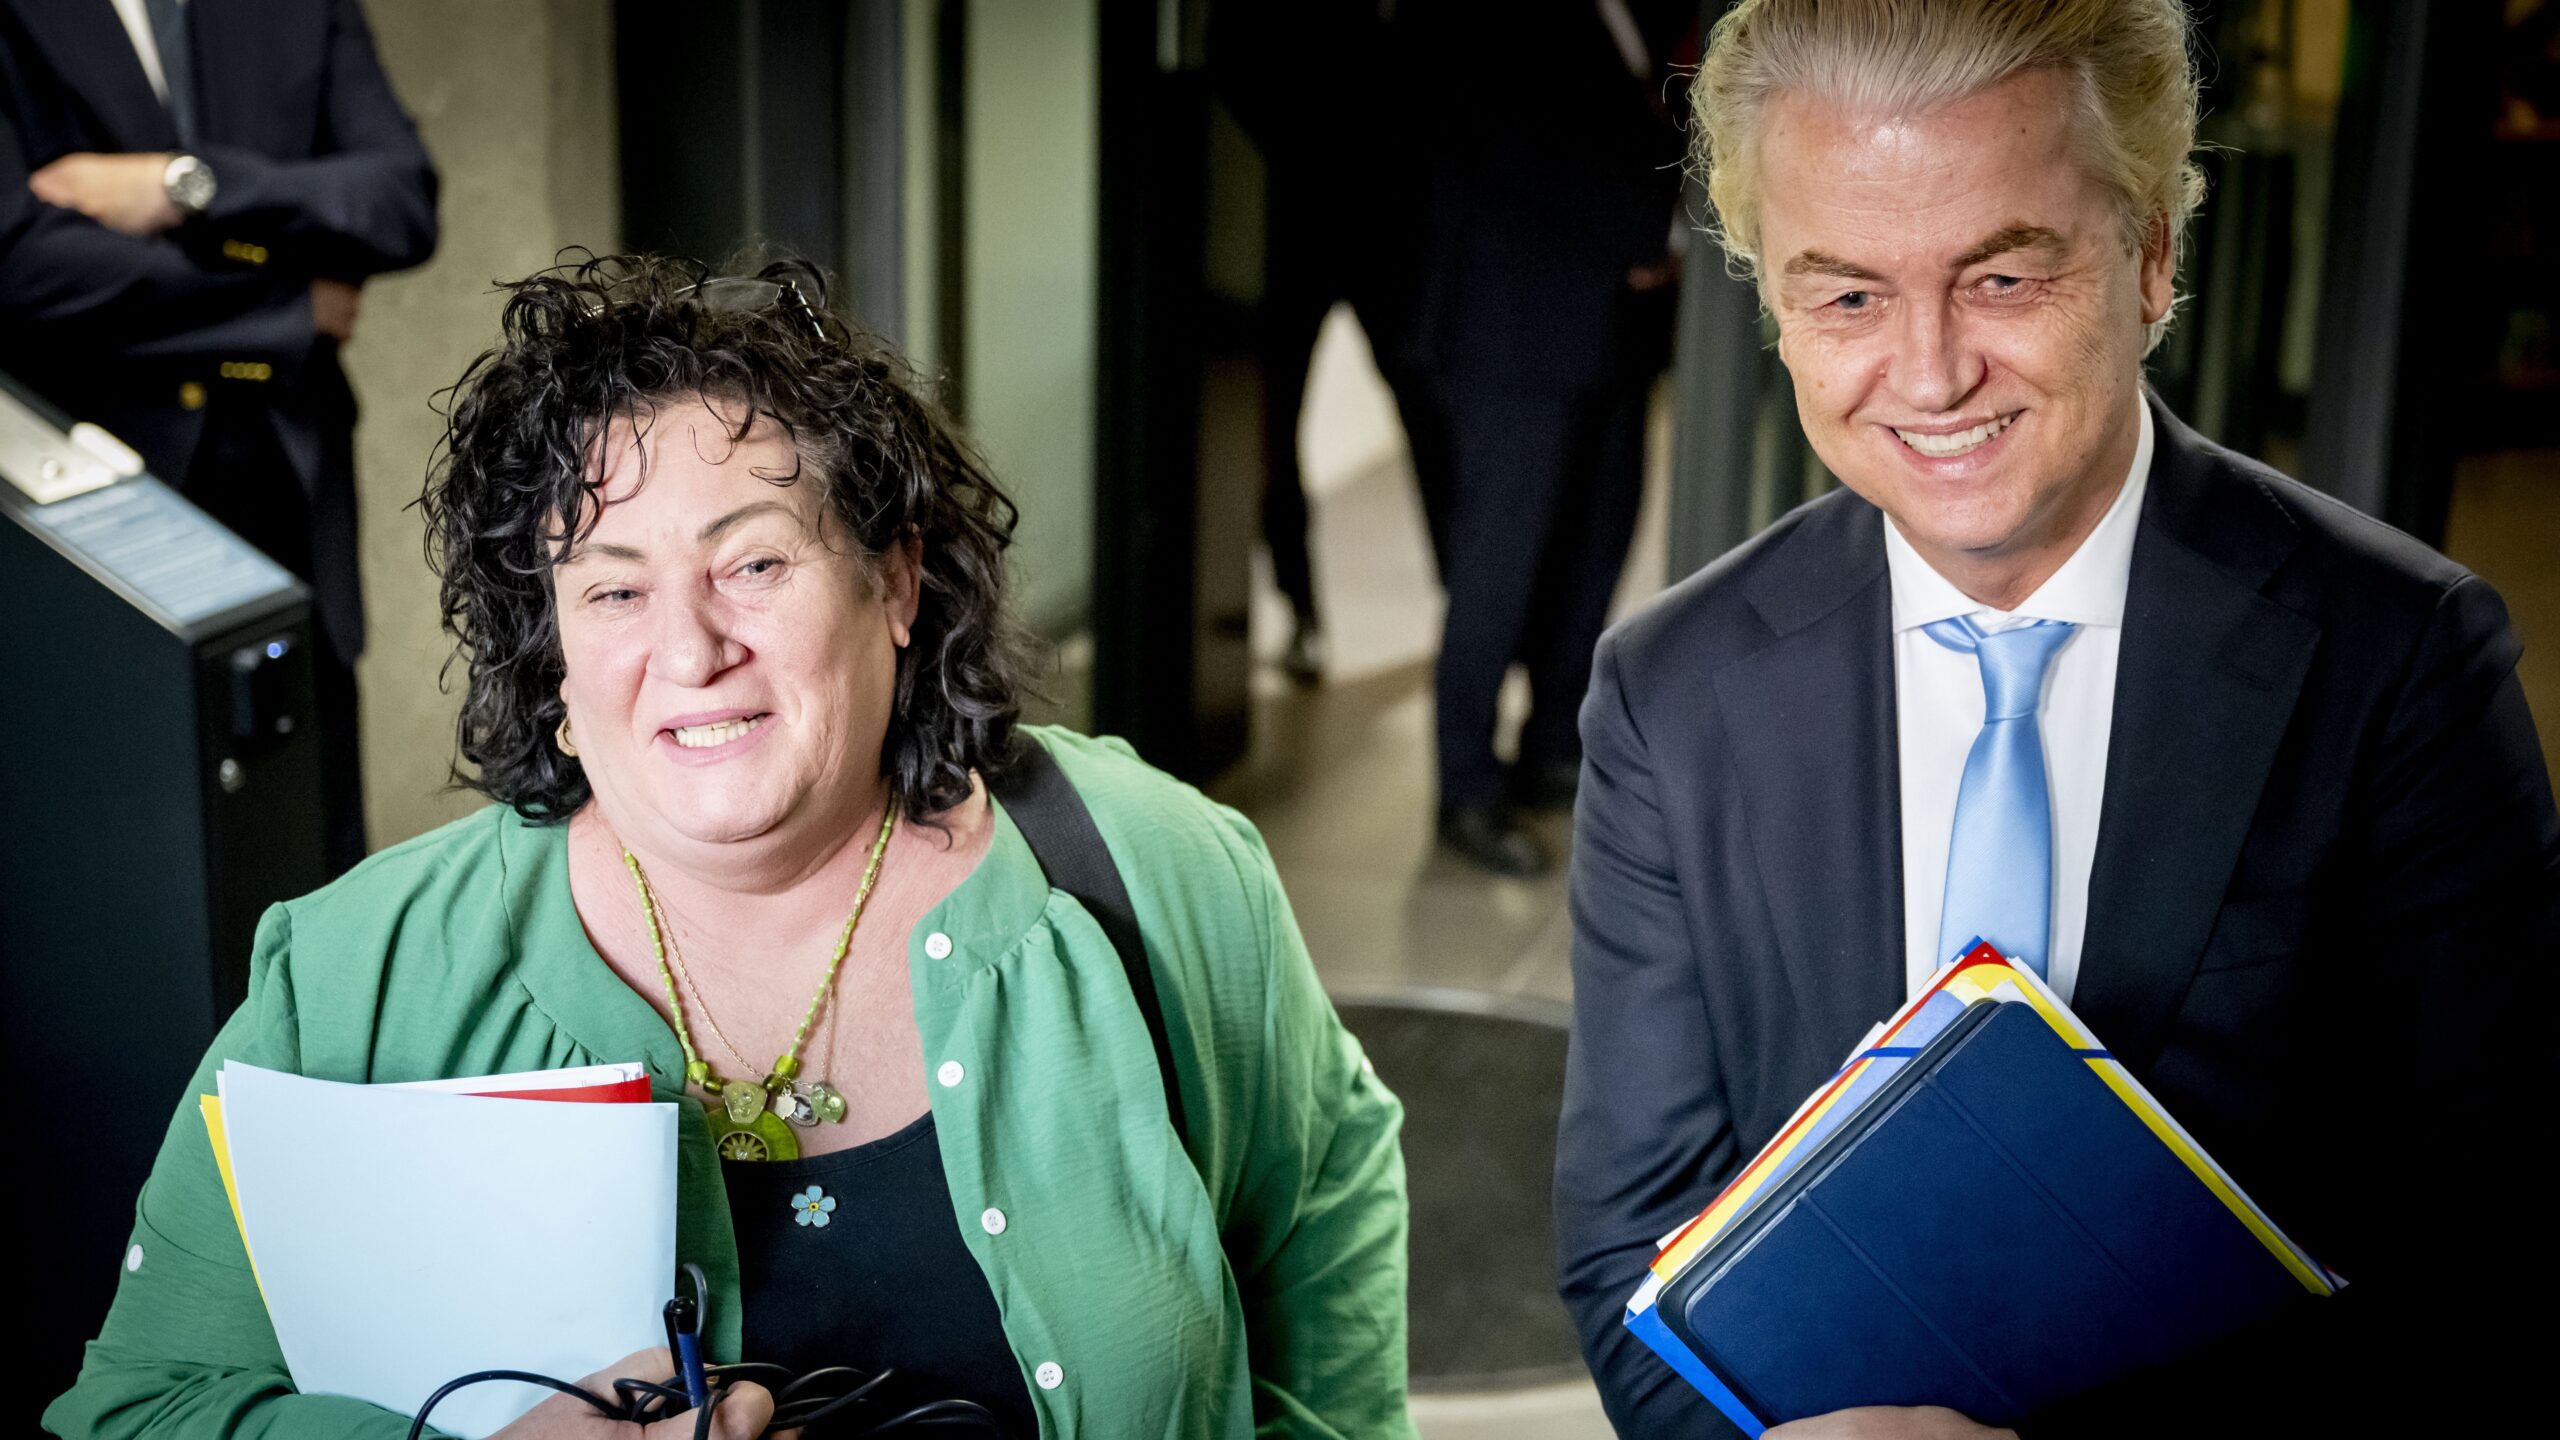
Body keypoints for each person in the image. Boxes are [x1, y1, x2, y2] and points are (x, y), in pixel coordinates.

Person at [44, 256, 1415, 1440]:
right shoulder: (356, 981)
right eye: (615, 588)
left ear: (895, 583)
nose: (692, 650)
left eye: (754, 564)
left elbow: (1326, 1198)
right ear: (553, 656)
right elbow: (135, 1410)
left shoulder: (1152, 873)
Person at [1553, 2, 2558, 1437]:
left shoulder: (2399, 662)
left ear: (2152, 259)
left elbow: (2491, 1240)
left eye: (2003, 277)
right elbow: (1632, 1246)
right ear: (1774, 308)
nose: (1929, 371)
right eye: (1846, 297)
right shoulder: (1670, 695)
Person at [0, 0, 439, 875]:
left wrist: (182, 183)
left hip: (289, 499)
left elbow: (397, 202)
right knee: (120, 878)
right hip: (84, 513)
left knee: (306, 855)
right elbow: (17, 260)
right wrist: (284, 303)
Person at [1401, 0, 1689, 875]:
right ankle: (1466, 788)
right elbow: (1521, 145)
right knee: (1502, 568)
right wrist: (1656, 228)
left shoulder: (1634, 6)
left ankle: (1552, 750)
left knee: (1597, 545)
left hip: (1610, 331)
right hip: (1510, 338)